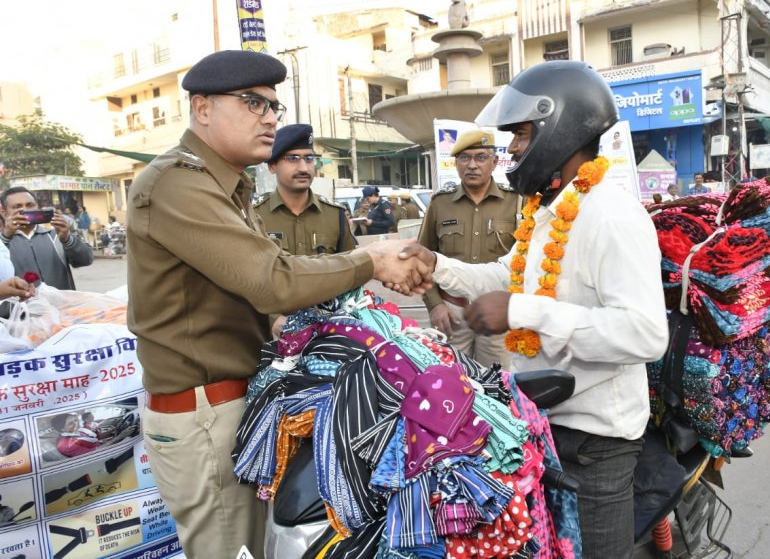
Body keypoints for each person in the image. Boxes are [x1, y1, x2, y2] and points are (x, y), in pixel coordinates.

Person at [125, 49, 431, 559]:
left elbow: (262, 291)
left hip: (233, 401)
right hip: (205, 411)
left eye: (273, 106)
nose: (269, 117)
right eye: (252, 103)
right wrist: (371, 260)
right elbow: (271, 280)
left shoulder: (223, 185)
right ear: (202, 108)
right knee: (232, 549)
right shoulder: (178, 183)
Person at [402, 60, 668, 558]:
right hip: (544, 425)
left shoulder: (610, 214)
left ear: (561, 128)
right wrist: (434, 263)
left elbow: (646, 333)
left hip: (596, 445)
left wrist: (524, 312)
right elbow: (506, 277)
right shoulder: (547, 211)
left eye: (521, 136)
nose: (513, 151)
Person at [418, 128, 521, 369]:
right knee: (450, 384)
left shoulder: (516, 202)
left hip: (497, 315)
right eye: (464, 158)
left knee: (498, 386)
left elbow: (524, 261)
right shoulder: (440, 204)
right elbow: (423, 260)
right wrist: (435, 305)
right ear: (455, 164)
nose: (472, 165)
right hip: (451, 314)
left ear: (495, 162)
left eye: (480, 157)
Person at [254, 123, 355, 255]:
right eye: (293, 158)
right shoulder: (254, 216)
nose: (304, 168)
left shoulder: (335, 215)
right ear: (272, 166)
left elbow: (350, 269)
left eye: (309, 158)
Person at [0, 187, 93, 290]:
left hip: (62, 304)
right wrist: (5, 238)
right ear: (4, 214)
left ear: (37, 207)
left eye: (30, 205)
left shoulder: (56, 232)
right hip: (22, 305)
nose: (25, 210)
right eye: (17, 206)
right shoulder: (2, 241)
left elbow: (85, 260)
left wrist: (67, 239)